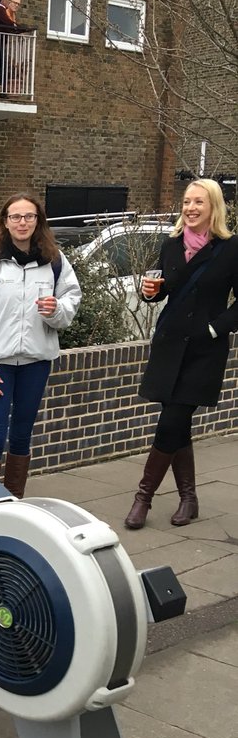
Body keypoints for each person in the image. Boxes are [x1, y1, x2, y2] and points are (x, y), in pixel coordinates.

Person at [125, 179, 238, 530]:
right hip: (170, 344)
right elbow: (165, 291)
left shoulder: (231, 248)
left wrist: (215, 328)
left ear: (213, 207)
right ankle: (189, 498)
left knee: (172, 420)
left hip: (204, 349)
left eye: (198, 202)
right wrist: (149, 293)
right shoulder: (171, 245)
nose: (190, 208)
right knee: (178, 424)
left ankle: (142, 498)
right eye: (186, 201)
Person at [0, 193, 81, 498]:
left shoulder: (54, 261)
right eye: (15, 217)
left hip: (36, 363)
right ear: (5, 222)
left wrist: (56, 310)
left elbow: (71, 300)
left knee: (22, 436)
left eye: (29, 216)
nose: (22, 222)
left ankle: (13, 501)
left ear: (38, 221)